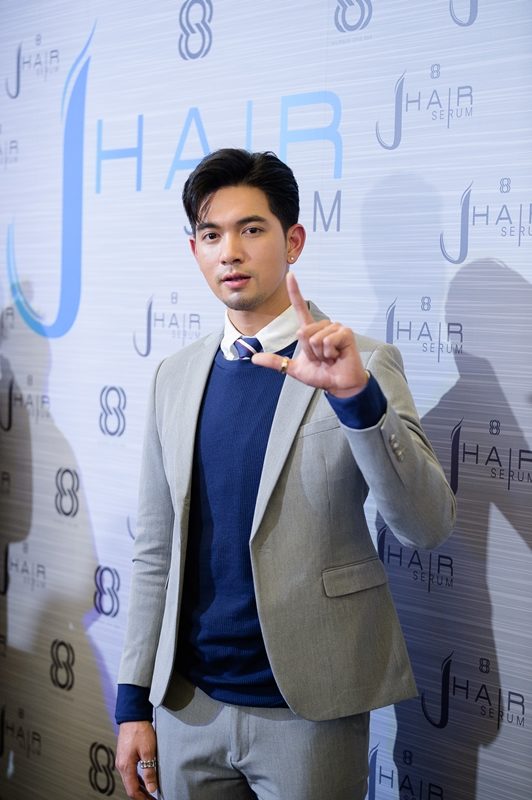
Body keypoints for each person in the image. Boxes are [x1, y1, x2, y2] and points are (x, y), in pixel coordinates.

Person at [115, 148, 456, 800]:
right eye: (211, 235)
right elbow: (155, 550)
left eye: (252, 229)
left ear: (293, 240)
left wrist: (356, 401)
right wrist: (134, 701)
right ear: (194, 250)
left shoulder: (360, 364)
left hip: (308, 708)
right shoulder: (173, 377)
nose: (230, 252)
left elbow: (427, 524)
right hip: (187, 705)